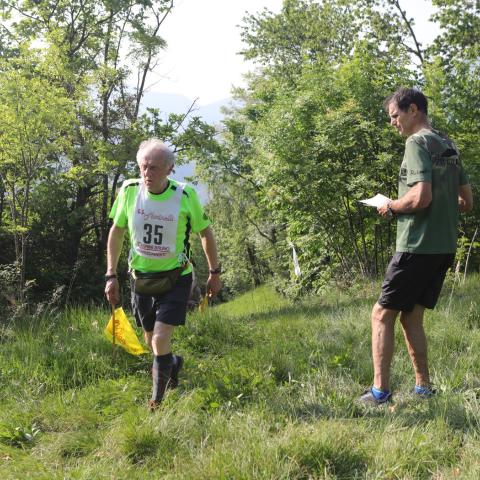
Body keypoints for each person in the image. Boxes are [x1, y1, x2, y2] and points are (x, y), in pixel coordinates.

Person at [360, 87, 473, 405]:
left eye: (395, 116)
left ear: (412, 110)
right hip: (444, 245)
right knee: (411, 317)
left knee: (382, 314)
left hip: (417, 244)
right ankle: (423, 386)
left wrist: (392, 206)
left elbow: (421, 197)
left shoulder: (417, 142)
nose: (393, 123)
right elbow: (466, 202)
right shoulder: (447, 145)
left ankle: (380, 392)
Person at [105, 139, 222, 410]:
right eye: (144, 167)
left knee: (159, 339)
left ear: (170, 169)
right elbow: (117, 231)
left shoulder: (185, 195)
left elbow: (205, 233)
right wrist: (110, 274)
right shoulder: (129, 191)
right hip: (141, 279)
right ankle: (173, 363)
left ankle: (156, 402)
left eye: (155, 168)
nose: (148, 173)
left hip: (176, 278)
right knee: (151, 341)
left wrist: (215, 272)